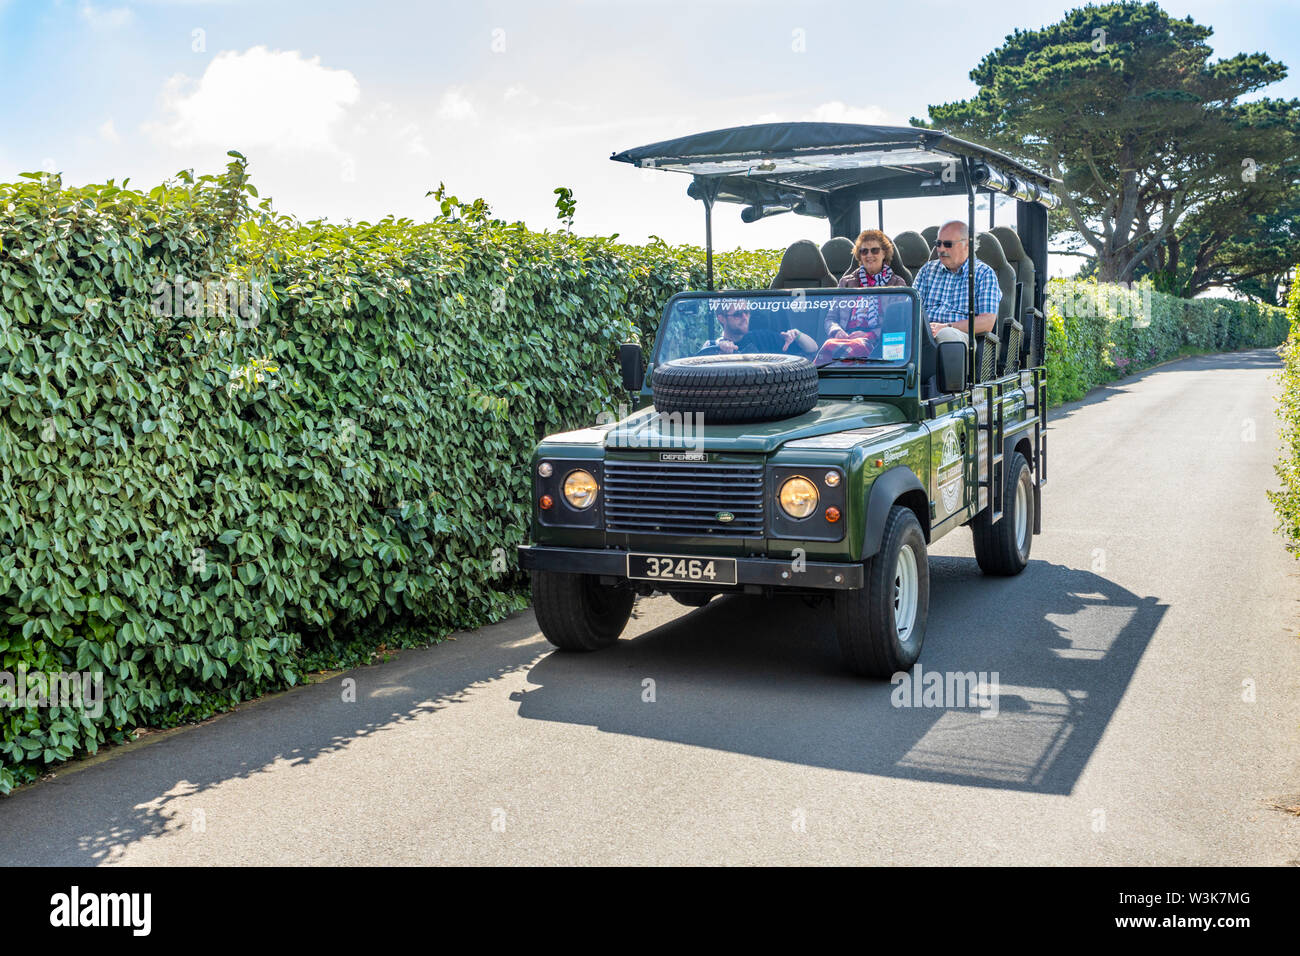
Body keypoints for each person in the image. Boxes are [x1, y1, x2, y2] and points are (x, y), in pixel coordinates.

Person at [911, 220, 1000, 345]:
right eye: (938, 243)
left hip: (961, 337)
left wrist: (946, 327)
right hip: (924, 334)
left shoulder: (984, 273)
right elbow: (911, 309)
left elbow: (987, 322)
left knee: (946, 334)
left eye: (948, 244)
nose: (941, 249)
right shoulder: (927, 270)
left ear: (967, 245)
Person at [823, 229, 907, 341]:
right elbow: (830, 319)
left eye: (875, 250)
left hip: (880, 342)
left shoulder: (897, 284)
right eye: (864, 251)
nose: (869, 255)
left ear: (884, 253)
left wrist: (870, 335)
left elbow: (898, 323)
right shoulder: (846, 283)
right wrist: (837, 331)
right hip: (846, 339)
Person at [700, 300, 816, 355]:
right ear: (721, 318)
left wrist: (797, 334)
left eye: (746, 312)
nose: (745, 317)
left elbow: (812, 348)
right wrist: (721, 356)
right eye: (738, 314)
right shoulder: (713, 347)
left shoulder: (764, 337)